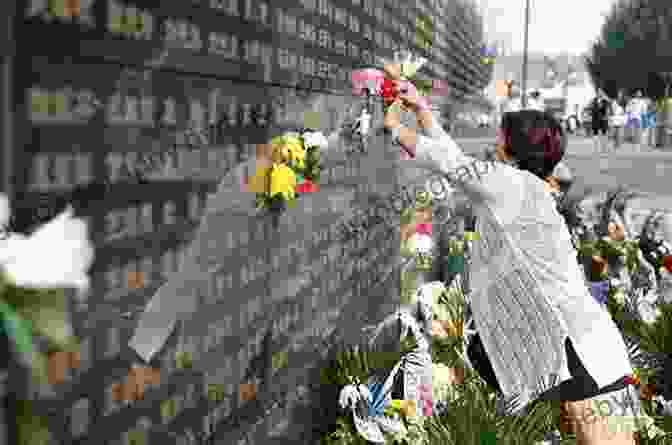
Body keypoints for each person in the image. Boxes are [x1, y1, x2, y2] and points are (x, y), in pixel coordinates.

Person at [382, 69, 638, 444]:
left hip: (580, 349)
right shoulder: (524, 186)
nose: (494, 141)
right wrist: (420, 109)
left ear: (514, 146)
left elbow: (448, 161)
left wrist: (392, 125)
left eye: (501, 135)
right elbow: (457, 160)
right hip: (590, 343)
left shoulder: (509, 184)